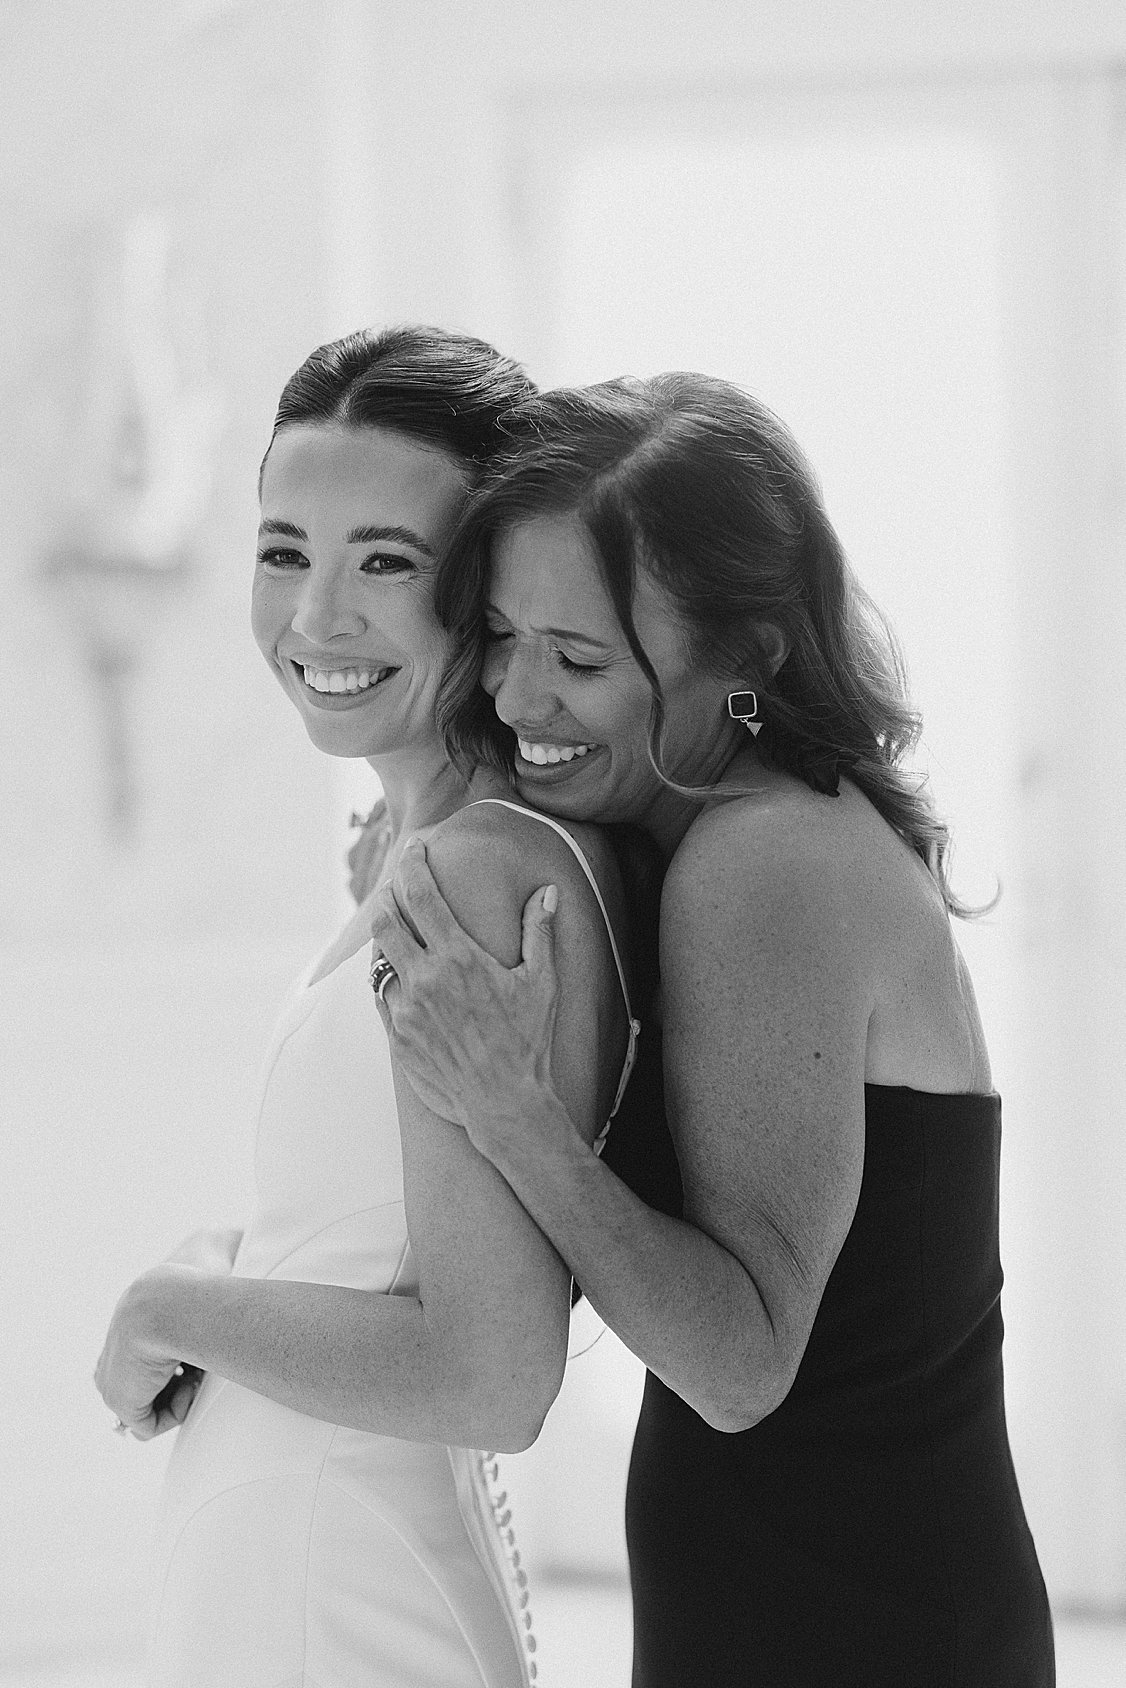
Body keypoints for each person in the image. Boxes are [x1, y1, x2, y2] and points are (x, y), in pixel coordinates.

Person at [364, 373, 1056, 1686]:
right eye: (501, 636)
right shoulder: (714, 831)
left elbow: (740, 1367)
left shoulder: (765, 860)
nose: (515, 697)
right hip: (812, 1606)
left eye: (578, 660)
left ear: (749, 662)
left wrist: (509, 1110)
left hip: (857, 1632)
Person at [94, 327, 639, 1688]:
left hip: (334, 1593)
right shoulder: (433, 856)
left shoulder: (473, 877)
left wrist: (171, 1308)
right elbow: (373, 1240)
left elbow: (489, 1371)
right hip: (301, 1574)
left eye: (385, 562)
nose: (316, 616)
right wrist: (229, 1261)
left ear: (489, 585)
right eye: (284, 551)